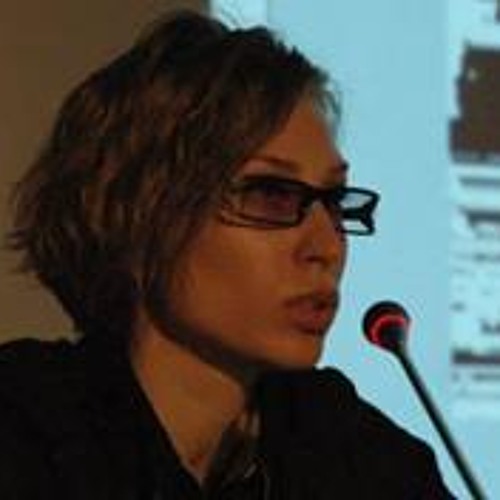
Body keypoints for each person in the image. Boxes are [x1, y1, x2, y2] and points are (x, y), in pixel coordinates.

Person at [0, 9, 455, 499]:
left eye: (335, 201)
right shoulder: (26, 427)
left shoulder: (353, 451)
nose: (327, 248)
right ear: (141, 214)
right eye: (271, 195)